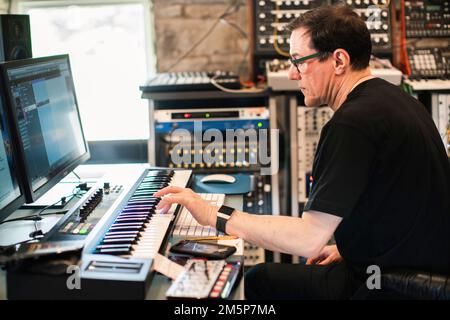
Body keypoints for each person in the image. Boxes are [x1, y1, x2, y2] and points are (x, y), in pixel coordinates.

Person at [154, 5, 450, 299]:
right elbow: (406, 209)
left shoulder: (353, 123)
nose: (293, 75)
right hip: (402, 271)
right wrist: (350, 250)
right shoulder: (397, 100)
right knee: (262, 277)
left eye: (299, 61)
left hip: (390, 286)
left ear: (338, 61)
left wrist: (212, 214)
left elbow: (307, 240)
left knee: (255, 284)